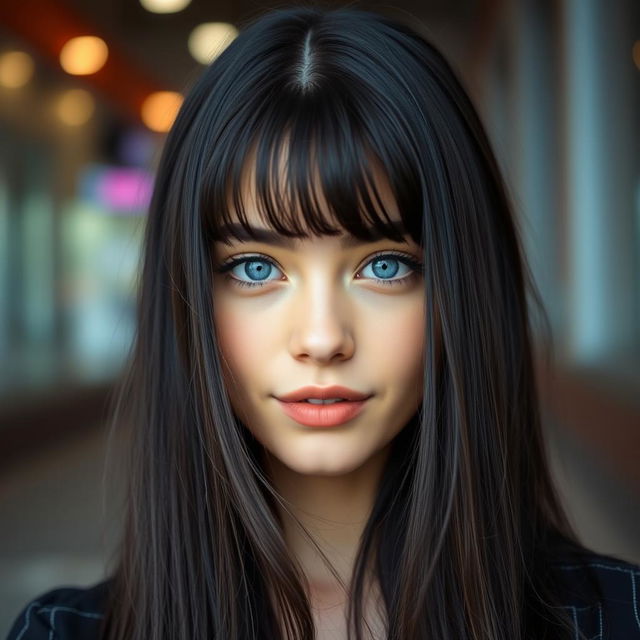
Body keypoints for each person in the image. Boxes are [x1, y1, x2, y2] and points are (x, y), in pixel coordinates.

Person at [6, 6, 640, 640]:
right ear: (187, 294)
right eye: (255, 269)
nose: (321, 338)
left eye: (385, 265)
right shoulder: (63, 632)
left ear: (461, 287)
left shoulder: (614, 620)